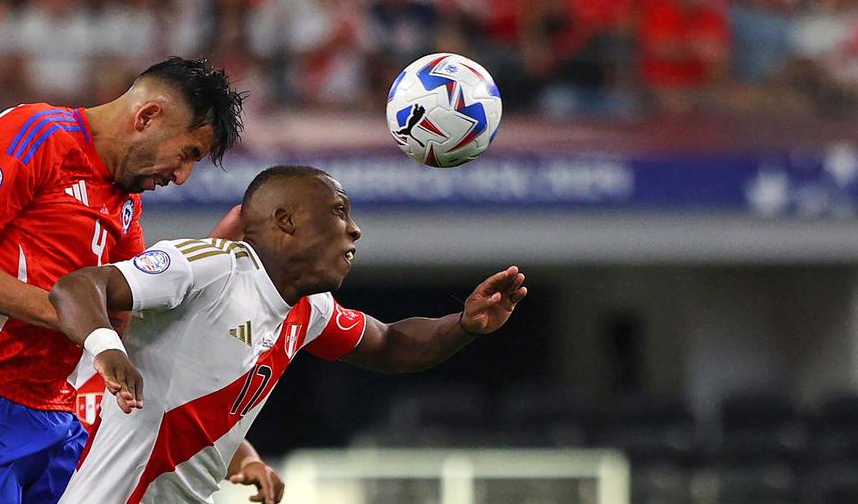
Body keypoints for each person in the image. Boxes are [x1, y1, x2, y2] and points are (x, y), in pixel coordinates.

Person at [0, 57, 281, 503]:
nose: (181, 176)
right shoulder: (35, 134)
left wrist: (239, 451)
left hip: (59, 420)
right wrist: (83, 325)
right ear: (147, 116)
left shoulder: (127, 205)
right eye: (188, 153)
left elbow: (133, 335)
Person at [49, 165, 528, 503]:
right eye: (339, 211)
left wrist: (464, 325)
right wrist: (107, 348)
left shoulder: (309, 309)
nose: (355, 230)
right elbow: (77, 286)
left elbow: (390, 344)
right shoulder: (211, 266)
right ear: (287, 221)